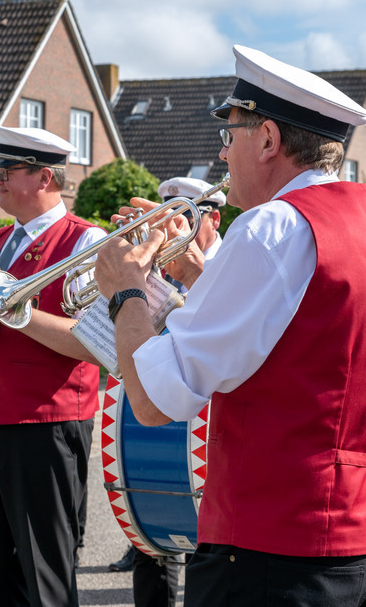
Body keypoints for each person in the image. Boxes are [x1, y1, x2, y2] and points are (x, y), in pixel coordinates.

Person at [93, 45, 366, 606]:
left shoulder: (270, 228)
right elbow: (306, 350)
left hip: (270, 556)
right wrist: (199, 278)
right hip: (363, 547)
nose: (222, 156)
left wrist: (126, 288)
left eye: (229, 137)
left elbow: (155, 402)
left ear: (268, 139)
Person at [0, 125, 106, 606]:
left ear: (45, 178)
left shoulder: (88, 240)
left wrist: (10, 309)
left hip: (45, 425)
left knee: (46, 580)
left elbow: (95, 345)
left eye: (6, 170)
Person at [108, 176, 228, 606]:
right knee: (151, 557)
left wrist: (194, 273)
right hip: (155, 428)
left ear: (211, 217)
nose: (168, 227)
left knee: (210, 565)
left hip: (209, 434)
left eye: (181, 215)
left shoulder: (230, 263)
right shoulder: (157, 266)